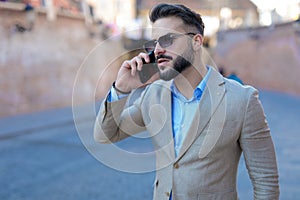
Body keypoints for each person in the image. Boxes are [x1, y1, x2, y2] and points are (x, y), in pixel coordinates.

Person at [94, 3, 279, 200]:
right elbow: (104, 135)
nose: (157, 50)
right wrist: (121, 89)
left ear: (197, 42)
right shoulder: (153, 95)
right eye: (155, 42)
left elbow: (265, 181)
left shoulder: (242, 100)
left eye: (167, 39)